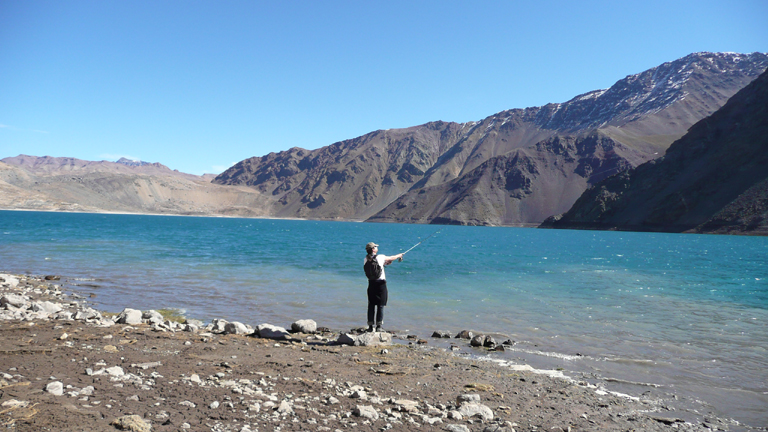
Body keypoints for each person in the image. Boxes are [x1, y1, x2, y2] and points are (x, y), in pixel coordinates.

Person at [364, 242, 403, 332]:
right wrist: (399, 255)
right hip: (381, 284)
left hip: (371, 283)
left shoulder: (365, 259)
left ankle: (370, 327)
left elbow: (381, 264)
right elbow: (391, 257)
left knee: (371, 305)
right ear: (373, 249)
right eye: (376, 247)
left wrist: (387, 262)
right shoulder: (380, 257)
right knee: (381, 305)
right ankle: (379, 327)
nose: (377, 248)